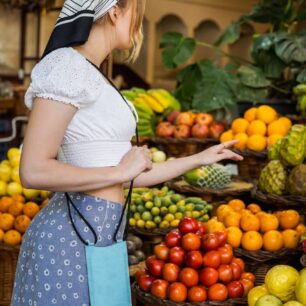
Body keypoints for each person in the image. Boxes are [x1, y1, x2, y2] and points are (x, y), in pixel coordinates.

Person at [11, 0, 243, 305]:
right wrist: (120, 172)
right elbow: (33, 170)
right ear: (114, 11)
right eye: (137, 14)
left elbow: (131, 173)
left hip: (99, 239)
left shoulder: (92, 74)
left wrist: (200, 158)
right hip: (68, 242)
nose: (140, 26)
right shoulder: (66, 67)